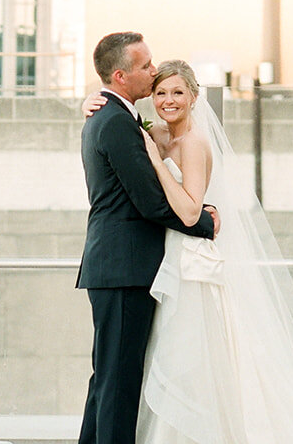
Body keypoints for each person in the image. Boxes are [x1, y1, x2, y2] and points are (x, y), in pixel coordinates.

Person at [84, 57, 293, 444]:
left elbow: (187, 210)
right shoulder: (155, 134)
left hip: (191, 265)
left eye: (178, 92)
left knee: (192, 359)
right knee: (152, 361)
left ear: (195, 97)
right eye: (161, 92)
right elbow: (116, 124)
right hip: (164, 261)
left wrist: (154, 160)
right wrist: (93, 101)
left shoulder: (194, 143)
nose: (169, 100)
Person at [77, 33, 218, 444]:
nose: (153, 71)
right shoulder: (116, 122)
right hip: (124, 268)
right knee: (118, 386)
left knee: (108, 380)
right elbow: (152, 204)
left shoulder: (111, 116)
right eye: (145, 66)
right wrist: (206, 223)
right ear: (120, 76)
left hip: (119, 267)